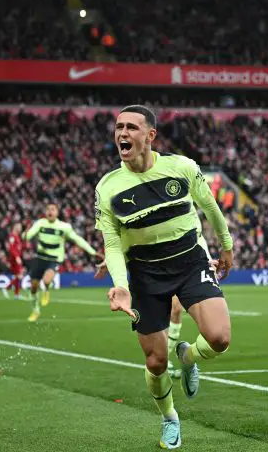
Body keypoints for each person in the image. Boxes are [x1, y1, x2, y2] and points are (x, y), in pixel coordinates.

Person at [94, 105, 234, 449]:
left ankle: (187, 357)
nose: (122, 133)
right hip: (145, 275)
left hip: (190, 262)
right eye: (118, 127)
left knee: (219, 338)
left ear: (150, 136)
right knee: (156, 361)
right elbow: (112, 244)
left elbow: (211, 207)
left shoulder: (181, 167)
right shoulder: (108, 187)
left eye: (131, 127)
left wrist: (226, 246)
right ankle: (170, 418)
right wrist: (121, 286)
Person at [23, 203, 101, 322]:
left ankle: (46, 290)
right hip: (40, 258)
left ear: (57, 212)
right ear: (45, 212)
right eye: (48, 209)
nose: (50, 211)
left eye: (53, 209)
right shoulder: (40, 223)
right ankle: (35, 311)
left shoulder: (64, 227)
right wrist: (25, 235)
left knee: (47, 280)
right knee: (33, 287)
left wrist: (92, 252)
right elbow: (28, 236)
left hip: (54, 259)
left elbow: (77, 239)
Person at [2, 223, 25, 300]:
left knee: (18, 277)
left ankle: (16, 295)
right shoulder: (12, 236)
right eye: (19, 227)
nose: (20, 229)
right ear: (15, 227)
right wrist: (17, 257)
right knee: (20, 276)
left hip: (17, 258)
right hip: (14, 259)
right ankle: (6, 288)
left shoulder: (17, 236)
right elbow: (11, 248)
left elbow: (18, 247)